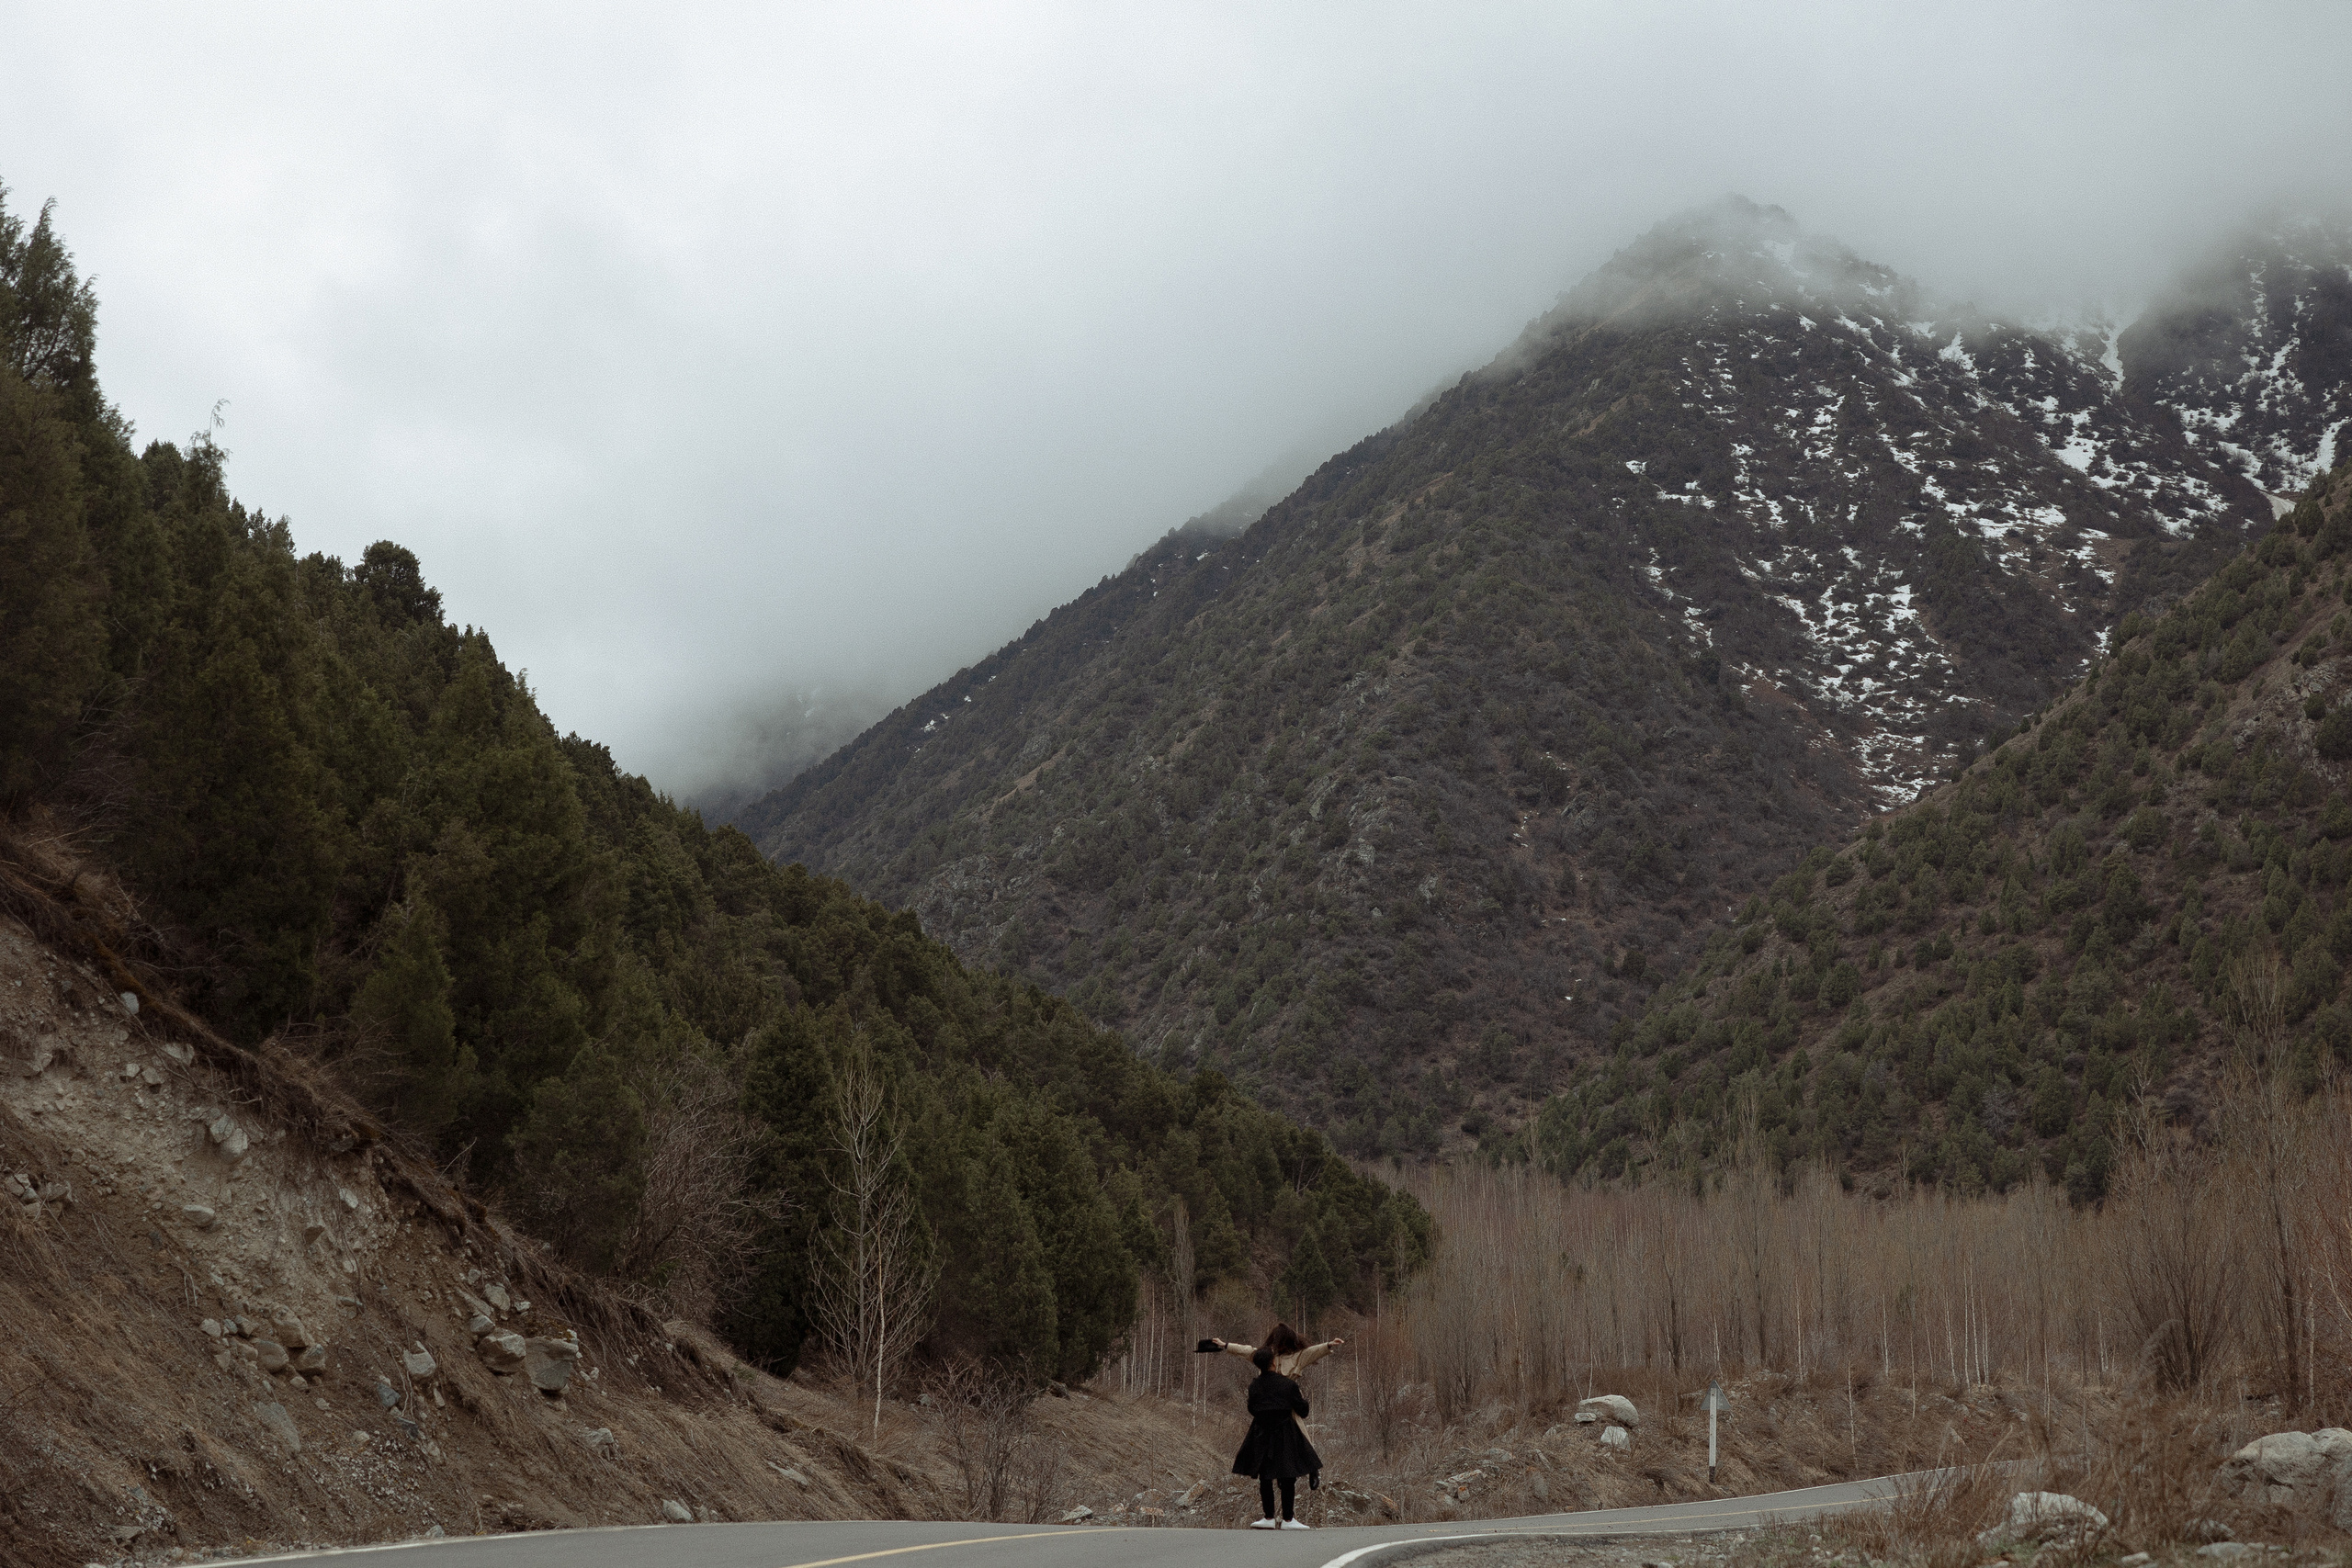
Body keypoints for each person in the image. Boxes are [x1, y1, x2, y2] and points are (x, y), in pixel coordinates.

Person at [1231, 1346, 1320, 1529]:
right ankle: (1288, 1519)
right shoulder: (1288, 1385)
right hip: (1285, 1432)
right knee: (1287, 1475)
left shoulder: (1254, 1385)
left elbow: (1252, 1409)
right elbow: (1303, 1411)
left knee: (1265, 1476)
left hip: (1260, 1432)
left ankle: (1269, 1517)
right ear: (1273, 1362)